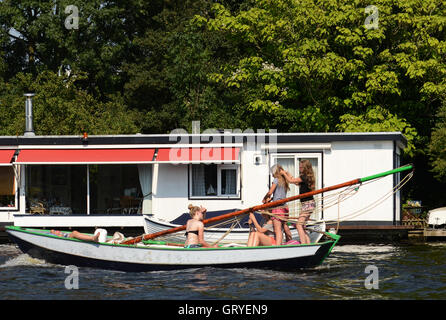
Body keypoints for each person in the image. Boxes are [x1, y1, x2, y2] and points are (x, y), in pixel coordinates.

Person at [280, 160, 316, 244]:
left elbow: (291, 181)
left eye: (301, 167)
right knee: (302, 226)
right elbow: (294, 181)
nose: (299, 168)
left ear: (305, 168)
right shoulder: (305, 177)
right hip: (307, 204)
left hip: (308, 204)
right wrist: (288, 173)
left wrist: (284, 174)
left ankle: (303, 244)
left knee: (299, 225)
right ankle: (308, 244)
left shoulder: (304, 177)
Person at [262, 164, 292, 245]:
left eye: (272, 172)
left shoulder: (276, 180)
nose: (271, 174)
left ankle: (278, 247)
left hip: (278, 208)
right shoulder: (284, 180)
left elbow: (270, 192)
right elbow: (279, 195)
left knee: (277, 230)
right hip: (285, 207)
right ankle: (290, 242)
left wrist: (265, 198)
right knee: (285, 226)